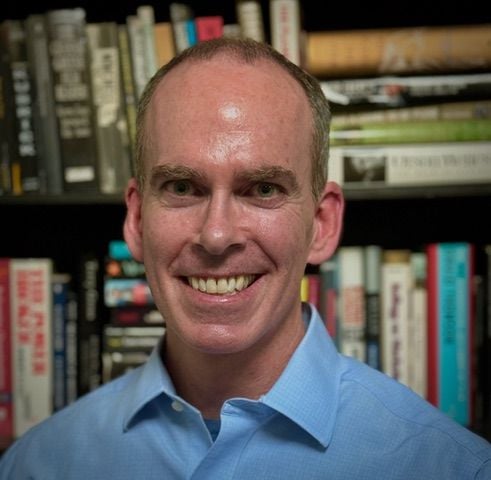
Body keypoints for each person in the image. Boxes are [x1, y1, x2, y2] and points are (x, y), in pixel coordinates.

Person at [1, 37, 490, 480]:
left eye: (263, 189)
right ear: (136, 220)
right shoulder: (36, 466)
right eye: (181, 187)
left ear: (322, 224)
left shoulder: (449, 468)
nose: (216, 235)